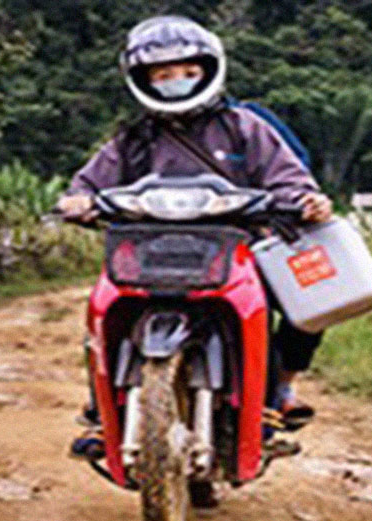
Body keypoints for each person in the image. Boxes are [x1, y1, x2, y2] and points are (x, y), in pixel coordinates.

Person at [58, 16, 332, 457]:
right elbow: (86, 185)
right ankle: (101, 413)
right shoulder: (132, 140)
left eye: (188, 72)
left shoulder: (245, 127)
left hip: (232, 247)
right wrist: (76, 201)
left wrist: (305, 201)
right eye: (163, 75)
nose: (176, 82)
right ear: (142, 80)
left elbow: (289, 180)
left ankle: (269, 399)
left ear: (209, 70)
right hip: (146, 252)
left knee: (291, 302)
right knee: (103, 313)